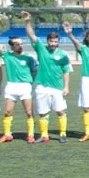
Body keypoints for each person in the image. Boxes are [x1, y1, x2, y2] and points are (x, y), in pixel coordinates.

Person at [22, 12, 72, 143]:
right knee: (42, 112)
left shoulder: (63, 55)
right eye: (51, 41)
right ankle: (44, 135)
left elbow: (66, 71)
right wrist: (27, 21)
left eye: (56, 41)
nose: (53, 43)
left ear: (58, 42)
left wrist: (66, 87)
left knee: (60, 111)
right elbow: (31, 35)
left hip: (57, 87)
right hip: (41, 86)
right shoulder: (41, 48)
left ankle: (62, 134)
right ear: (47, 41)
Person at [0, 28, 36, 143]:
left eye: (21, 44)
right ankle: (7, 134)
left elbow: (34, 71)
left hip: (25, 86)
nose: (20, 46)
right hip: (11, 87)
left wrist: (30, 81)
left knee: (29, 112)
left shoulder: (29, 58)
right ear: (11, 47)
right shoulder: (7, 56)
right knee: (7, 112)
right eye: (17, 44)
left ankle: (31, 134)